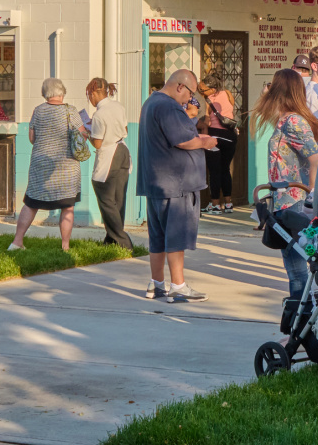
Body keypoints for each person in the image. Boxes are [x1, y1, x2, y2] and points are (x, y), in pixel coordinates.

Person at [138, 69, 221, 303]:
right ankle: (178, 286)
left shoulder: (151, 102)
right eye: (191, 94)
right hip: (175, 183)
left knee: (158, 237)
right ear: (180, 87)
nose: (190, 100)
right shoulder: (168, 106)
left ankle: (156, 284)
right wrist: (206, 142)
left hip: (157, 182)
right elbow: (183, 140)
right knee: (175, 235)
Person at [255, 68, 318, 330]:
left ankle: (300, 323)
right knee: (293, 264)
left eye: (272, 86)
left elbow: (316, 158)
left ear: (281, 89)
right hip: (284, 199)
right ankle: (302, 321)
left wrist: (310, 193)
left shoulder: (293, 122)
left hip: (293, 199)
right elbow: (264, 112)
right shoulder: (284, 119)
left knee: (296, 266)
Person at [9, 79, 83, 253]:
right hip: (66, 166)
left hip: (40, 164)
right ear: (62, 92)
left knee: (31, 203)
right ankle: (65, 247)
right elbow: (82, 136)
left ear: (45, 93)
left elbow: (32, 138)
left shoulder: (38, 111)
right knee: (67, 206)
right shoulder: (71, 111)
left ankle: (17, 242)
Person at [85, 78, 133, 249]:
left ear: (94, 93)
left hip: (109, 155)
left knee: (104, 197)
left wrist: (86, 132)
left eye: (89, 94)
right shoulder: (118, 106)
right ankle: (111, 240)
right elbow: (125, 130)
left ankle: (123, 241)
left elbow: (97, 143)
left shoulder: (99, 114)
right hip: (123, 151)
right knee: (118, 199)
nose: (89, 99)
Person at [197, 76, 239, 215]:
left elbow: (208, 123)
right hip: (230, 136)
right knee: (225, 169)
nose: (201, 92)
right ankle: (228, 204)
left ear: (213, 89)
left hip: (215, 136)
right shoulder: (227, 93)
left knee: (214, 171)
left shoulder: (208, 100)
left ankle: (215, 205)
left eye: (203, 90)